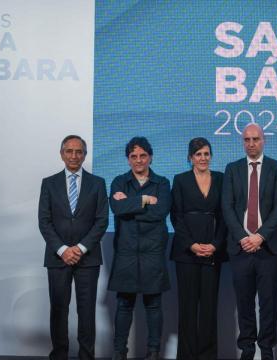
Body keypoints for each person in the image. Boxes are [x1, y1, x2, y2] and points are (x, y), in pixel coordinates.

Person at [221, 123, 277, 360]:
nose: (251, 144)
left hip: (269, 247)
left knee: (268, 303)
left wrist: (259, 236)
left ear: (264, 140)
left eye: (255, 139)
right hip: (240, 248)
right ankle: (247, 349)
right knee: (244, 301)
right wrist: (243, 237)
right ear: (243, 142)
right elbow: (227, 207)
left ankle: (267, 350)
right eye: (247, 140)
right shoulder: (232, 169)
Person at [38, 135, 109, 360]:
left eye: (79, 152)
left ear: (85, 155)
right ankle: (59, 355)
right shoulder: (48, 183)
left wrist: (79, 248)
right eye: (69, 151)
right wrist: (62, 250)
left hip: (87, 258)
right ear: (62, 154)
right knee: (59, 310)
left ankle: (86, 356)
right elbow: (44, 221)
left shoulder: (97, 183)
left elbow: (101, 220)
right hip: (57, 258)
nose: (74, 156)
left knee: (86, 311)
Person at [107, 137, 171, 360]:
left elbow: (160, 212)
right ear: (127, 159)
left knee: (153, 305)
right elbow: (117, 208)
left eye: (143, 155)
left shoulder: (162, 183)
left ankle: (153, 352)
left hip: (153, 252)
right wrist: (144, 199)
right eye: (133, 156)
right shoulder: (118, 181)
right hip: (126, 252)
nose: (138, 160)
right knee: (124, 304)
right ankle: (119, 352)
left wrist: (130, 204)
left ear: (150, 157)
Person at [170, 137, 228, 360]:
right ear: (190, 157)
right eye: (198, 154)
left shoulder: (222, 179)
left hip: (213, 250)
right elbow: (176, 216)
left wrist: (215, 244)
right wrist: (192, 245)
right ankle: (186, 355)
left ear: (210, 155)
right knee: (187, 307)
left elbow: (225, 215)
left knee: (209, 308)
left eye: (206, 153)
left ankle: (207, 356)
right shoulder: (180, 180)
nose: (203, 158)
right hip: (186, 252)